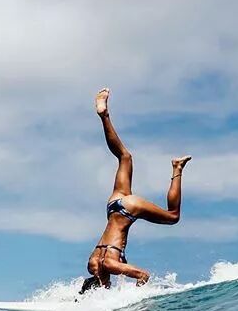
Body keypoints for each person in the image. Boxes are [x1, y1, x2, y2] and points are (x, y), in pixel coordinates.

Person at [80, 88, 191, 293]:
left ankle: (177, 168)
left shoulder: (106, 264)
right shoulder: (92, 263)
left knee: (173, 216)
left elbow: (143, 275)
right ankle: (104, 116)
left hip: (127, 209)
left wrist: (135, 301)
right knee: (124, 157)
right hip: (114, 206)